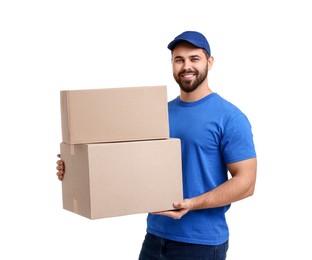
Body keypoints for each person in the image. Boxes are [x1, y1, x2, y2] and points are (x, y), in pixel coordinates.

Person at [56, 31, 257, 260]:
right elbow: (124, 157)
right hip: (155, 237)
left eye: (194, 58)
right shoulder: (157, 113)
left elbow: (246, 182)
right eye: (179, 59)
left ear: (209, 62)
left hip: (201, 244)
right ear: (172, 64)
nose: (186, 66)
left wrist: (192, 203)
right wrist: (75, 167)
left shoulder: (230, 117)